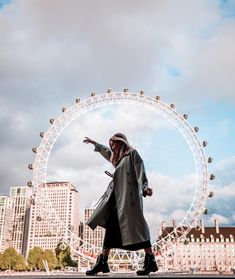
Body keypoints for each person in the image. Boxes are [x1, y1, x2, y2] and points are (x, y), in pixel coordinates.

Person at [83, 133, 158, 276]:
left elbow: (140, 170)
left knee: (138, 227)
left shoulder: (132, 154)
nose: (113, 148)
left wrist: (145, 187)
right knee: (111, 227)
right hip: (117, 198)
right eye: (111, 145)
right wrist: (95, 144)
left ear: (121, 142)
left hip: (129, 200)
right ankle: (103, 261)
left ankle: (150, 259)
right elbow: (107, 152)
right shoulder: (117, 160)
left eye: (114, 144)